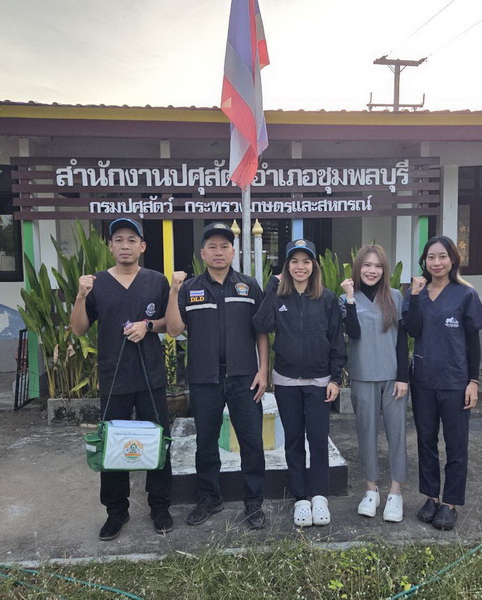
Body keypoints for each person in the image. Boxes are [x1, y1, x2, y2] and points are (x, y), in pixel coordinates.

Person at [70, 217, 173, 540]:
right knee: (112, 447)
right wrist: (80, 296)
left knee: (159, 442)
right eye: (119, 240)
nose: (125, 246)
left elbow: (170, 323)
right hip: (113, 376)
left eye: (131, 240)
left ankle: (160, 506)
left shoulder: (156, 281)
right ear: (110, 246)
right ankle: (116, 511)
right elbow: (79, 329)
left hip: (150, 376)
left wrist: (147, 325)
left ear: (142, 246)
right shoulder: (97, 283)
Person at [165, 222, 269, 530]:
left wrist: (263, 370)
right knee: (206, 443)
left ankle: (253, 502)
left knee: (252, 443)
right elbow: (174, 330)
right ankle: (210, 498)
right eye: (212, 246)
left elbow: (261, 331)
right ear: (203, 253)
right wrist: (173, 291)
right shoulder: (190, 288)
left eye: (224, 246)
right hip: (204, 379)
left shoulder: (249, 286)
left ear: (233, 252)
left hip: (244, 378)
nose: (218, 252)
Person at [253, 239, 346, 527]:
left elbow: (336, 341)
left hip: (319, 381)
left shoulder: (327, 298)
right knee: (293, 441)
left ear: (314, 266)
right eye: (294, 261)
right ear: (287, 266)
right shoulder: (279, 296)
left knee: (318, 440)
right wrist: (271, 287)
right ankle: (301, 499)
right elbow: (261, 325)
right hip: (286, 382)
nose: (300, 267)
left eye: (306, 261)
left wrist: (335, 378)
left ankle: (319, 496)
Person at [403, 235, 482, 531]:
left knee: (456, 444)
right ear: (424, 262)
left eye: (442, 256)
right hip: (423, 381)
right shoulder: (416, 292)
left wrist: (473, 381)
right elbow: (413, 330)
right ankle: (431, 497)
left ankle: (450, 503)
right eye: (431, 257)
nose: (436, 262)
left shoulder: (466, 294)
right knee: (426, 441)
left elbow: (473, 342)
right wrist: (415, 297)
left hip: (455, 382)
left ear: (452, 260)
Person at [339, 244, 409, 522]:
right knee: (366, 434)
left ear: (384, 270)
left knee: (397, 434)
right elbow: (353, 333)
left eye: (378, 266)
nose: (372, 270)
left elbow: (402, 340)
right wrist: (350, 299)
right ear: (358, 267)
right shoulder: (346, 298)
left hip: (393, 379)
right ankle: (371, 489)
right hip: (362, 376)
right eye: (367, 265)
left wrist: (403, 377)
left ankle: (396, 492)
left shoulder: (394, 296)